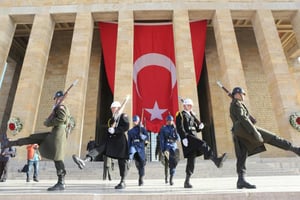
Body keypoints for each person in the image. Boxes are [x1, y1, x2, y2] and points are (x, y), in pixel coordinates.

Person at [230, 87, 300, 189]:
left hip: (239, 132)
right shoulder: (236, 104)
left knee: (242, 155)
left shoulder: (236, 104)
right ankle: (295, 149)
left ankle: (241, 180)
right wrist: (255, 132)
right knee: (272, 138)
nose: (244, 96)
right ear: (237, 94)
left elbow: (244, 117)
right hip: (245, 129)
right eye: (243, 94)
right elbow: (243, 118)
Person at [6, 90, 71, 191]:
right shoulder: (60, 107)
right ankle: (11, 143)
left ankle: (61, 182)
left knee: (58, 159)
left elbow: (61, 119)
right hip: (56, 134)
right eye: (56, 98)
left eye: (58, 98)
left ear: (61, 98)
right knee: (34, 138)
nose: (57, 100)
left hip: (57, 134)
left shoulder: (61, 107)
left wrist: (48, 122)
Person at [72, 100, 130, 189]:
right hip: (111, 141)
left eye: (113, 108)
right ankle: (85, 160)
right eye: (111, 108)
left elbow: (126, 126)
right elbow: (110, 130)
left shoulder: (123, 116)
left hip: (120, 142)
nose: (111, 110)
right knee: (99, 148)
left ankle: (123, 181)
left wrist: (116, 130)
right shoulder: (112, 119)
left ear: (118, 108)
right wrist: (109, 132)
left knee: (122, 162)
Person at [175, 98, 227, 188]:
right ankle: (216, 160)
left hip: (194, 137)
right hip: (188, 138)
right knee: (203, 144)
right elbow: (179, 127)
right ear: (184, 106)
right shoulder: (180, 115)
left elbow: (196, 129)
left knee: (192, 159)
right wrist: (183, 137)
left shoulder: (192, 115)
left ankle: (187, 181)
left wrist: (200, 127)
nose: (190, 107)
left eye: (191, 105)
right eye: (189, 105)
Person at [127, 115, 149, 186]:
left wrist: (143, 136)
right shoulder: (130, 131)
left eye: (136, 121)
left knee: (141, 164)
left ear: (138, 121)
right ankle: (129, 161)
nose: (134, 122)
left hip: (141, 147)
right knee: (132, 154)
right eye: (133, 121)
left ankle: (141, 178)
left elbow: (147, 138)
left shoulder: (142, 129)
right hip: (134, 146)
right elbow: (129, 142)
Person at [159, 115, 180, 186]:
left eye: (171, 120)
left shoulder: (175, 128)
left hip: (174, 147)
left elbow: (178, 138)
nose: (170, 122)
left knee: (173, 162)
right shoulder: (163, 129)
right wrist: (162, 149)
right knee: (167, 163)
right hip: (167, 147)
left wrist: (176, 130)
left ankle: (171, 177)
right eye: (168, 120)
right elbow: (161, 139)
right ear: (166, 121)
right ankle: (166, 177)